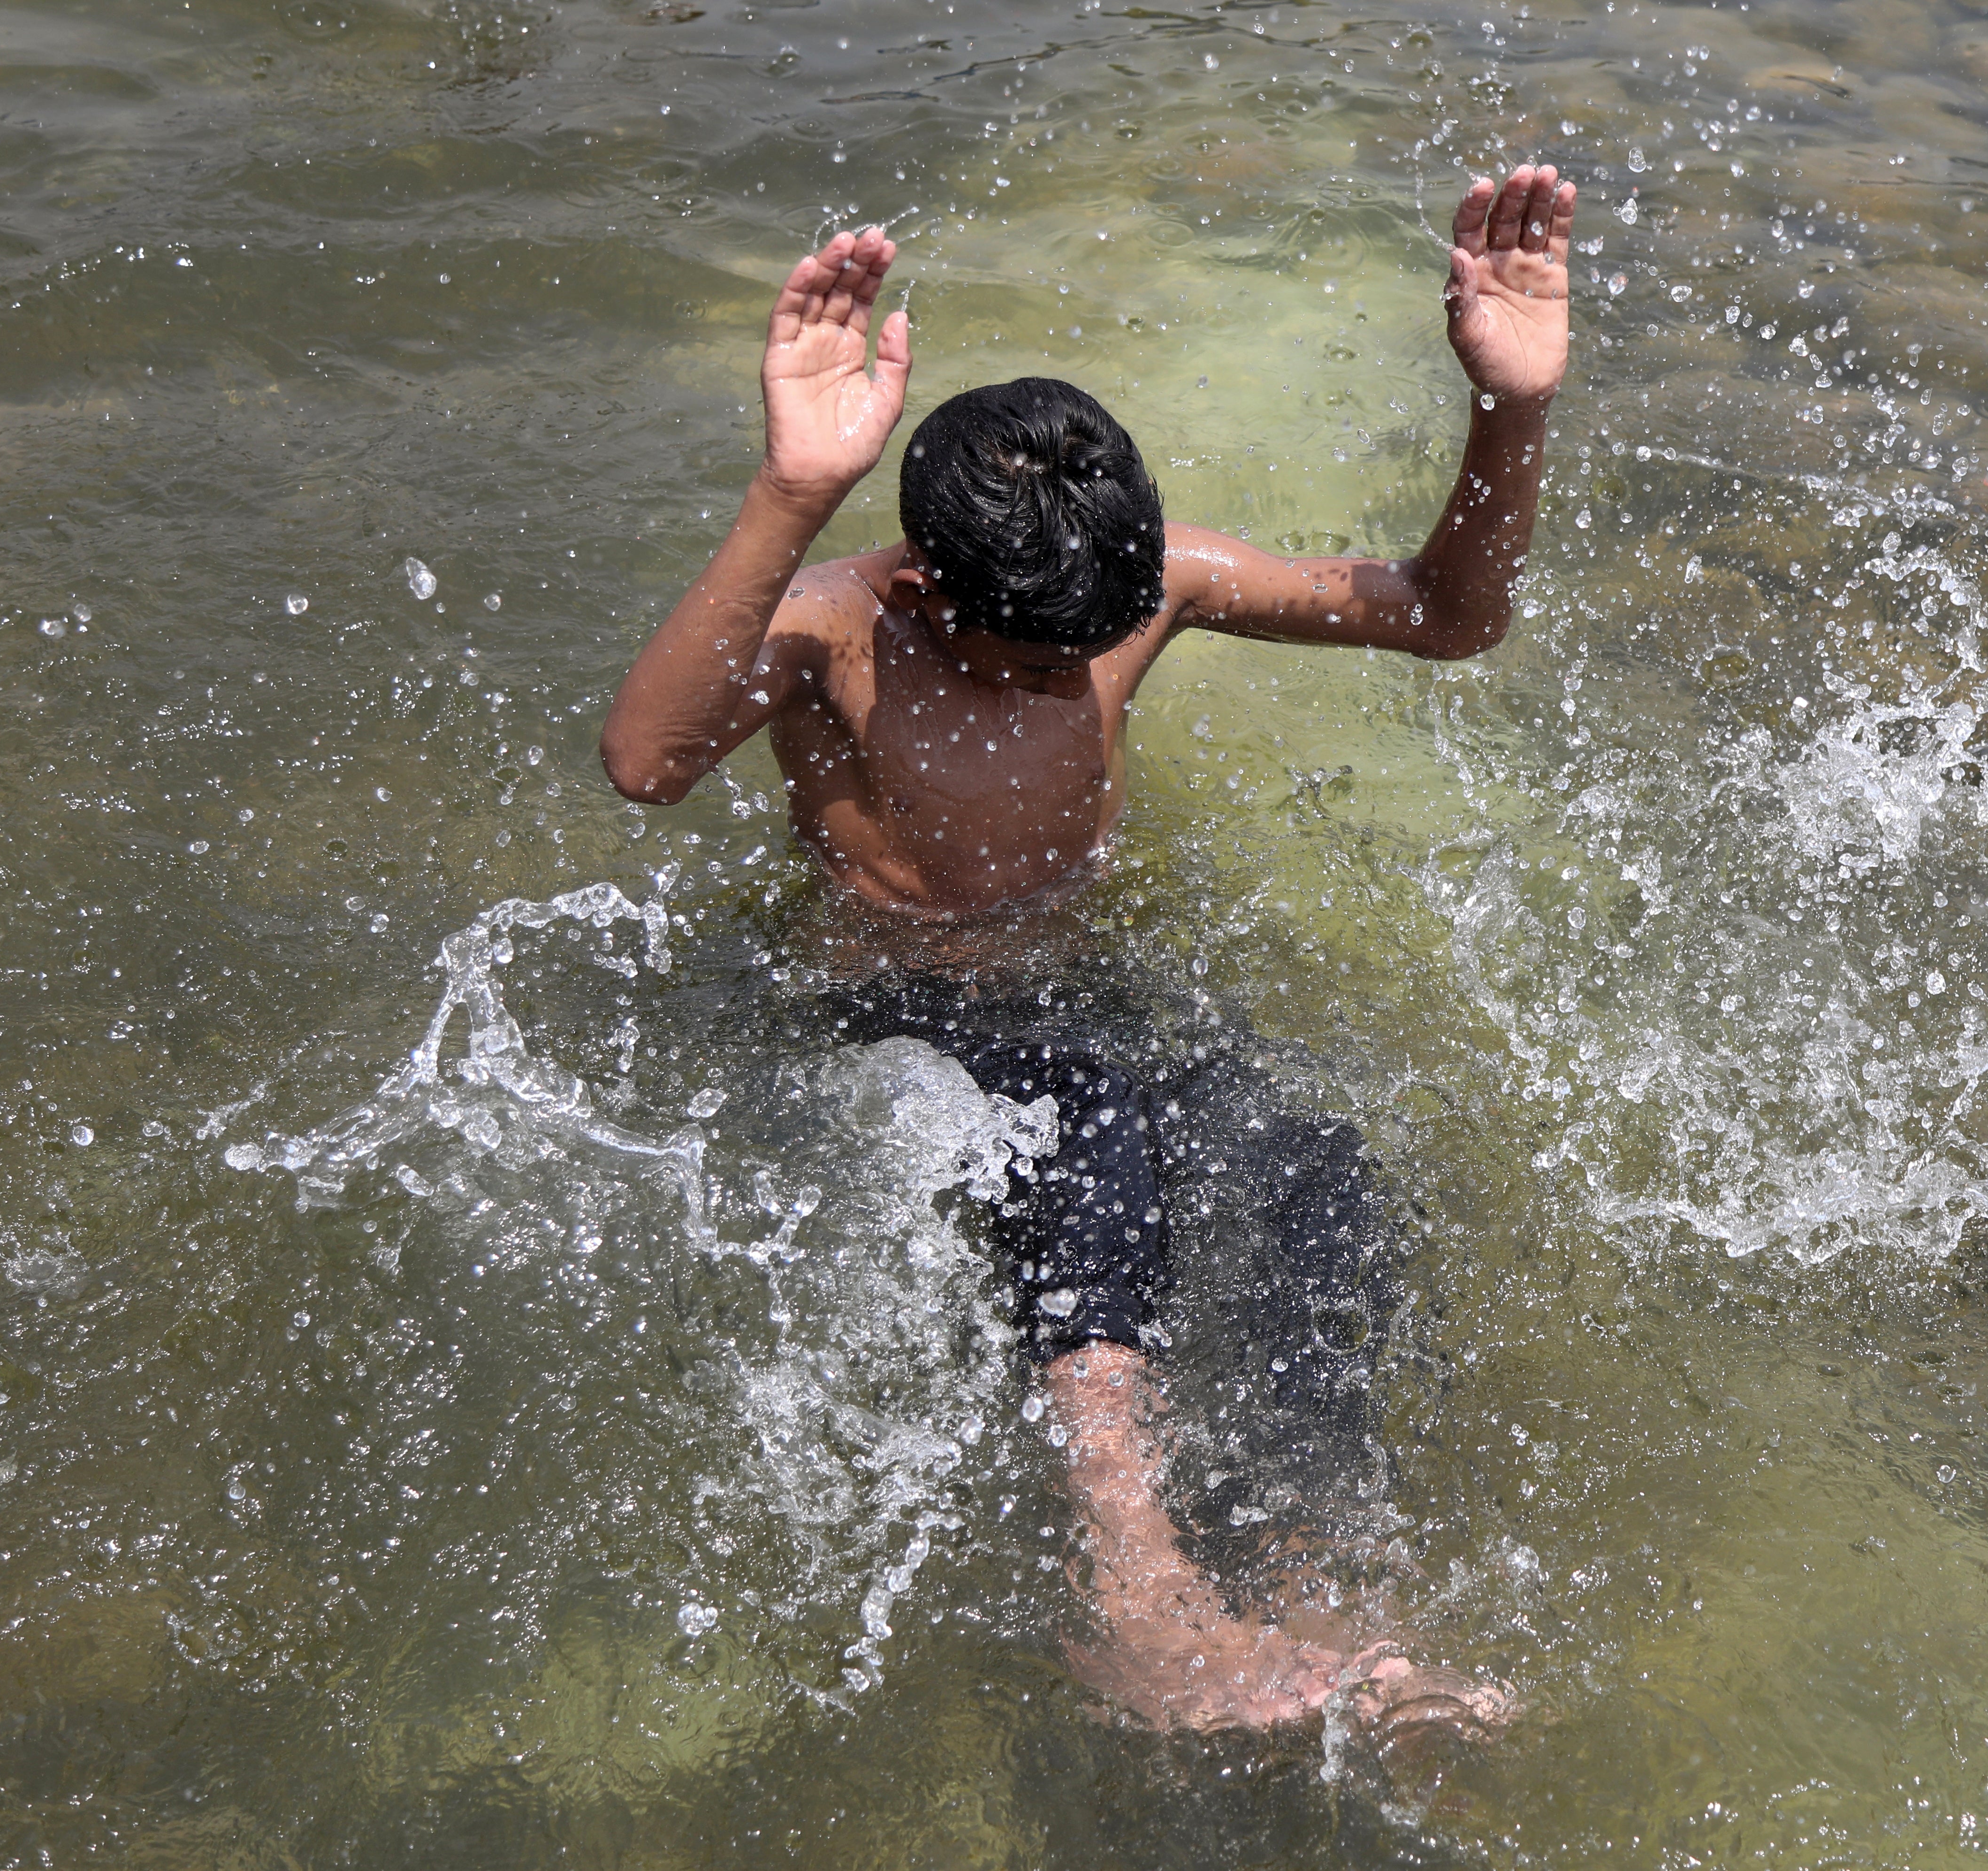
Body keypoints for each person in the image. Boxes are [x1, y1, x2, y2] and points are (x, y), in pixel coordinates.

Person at [598, 165, 1577, 1734]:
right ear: (925, 585)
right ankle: (1135, 1591)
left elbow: (1447, 618)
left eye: (1091, 654)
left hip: (1079, 978)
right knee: (1089, 1126)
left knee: (1319, 1152)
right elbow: (645, 764)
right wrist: (793, 491)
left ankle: (1329, 1600)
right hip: (881, 1014)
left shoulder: (1142, 585)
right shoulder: (843, 626)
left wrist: (1508, 407)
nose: (1065, 681)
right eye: (1019, 663)